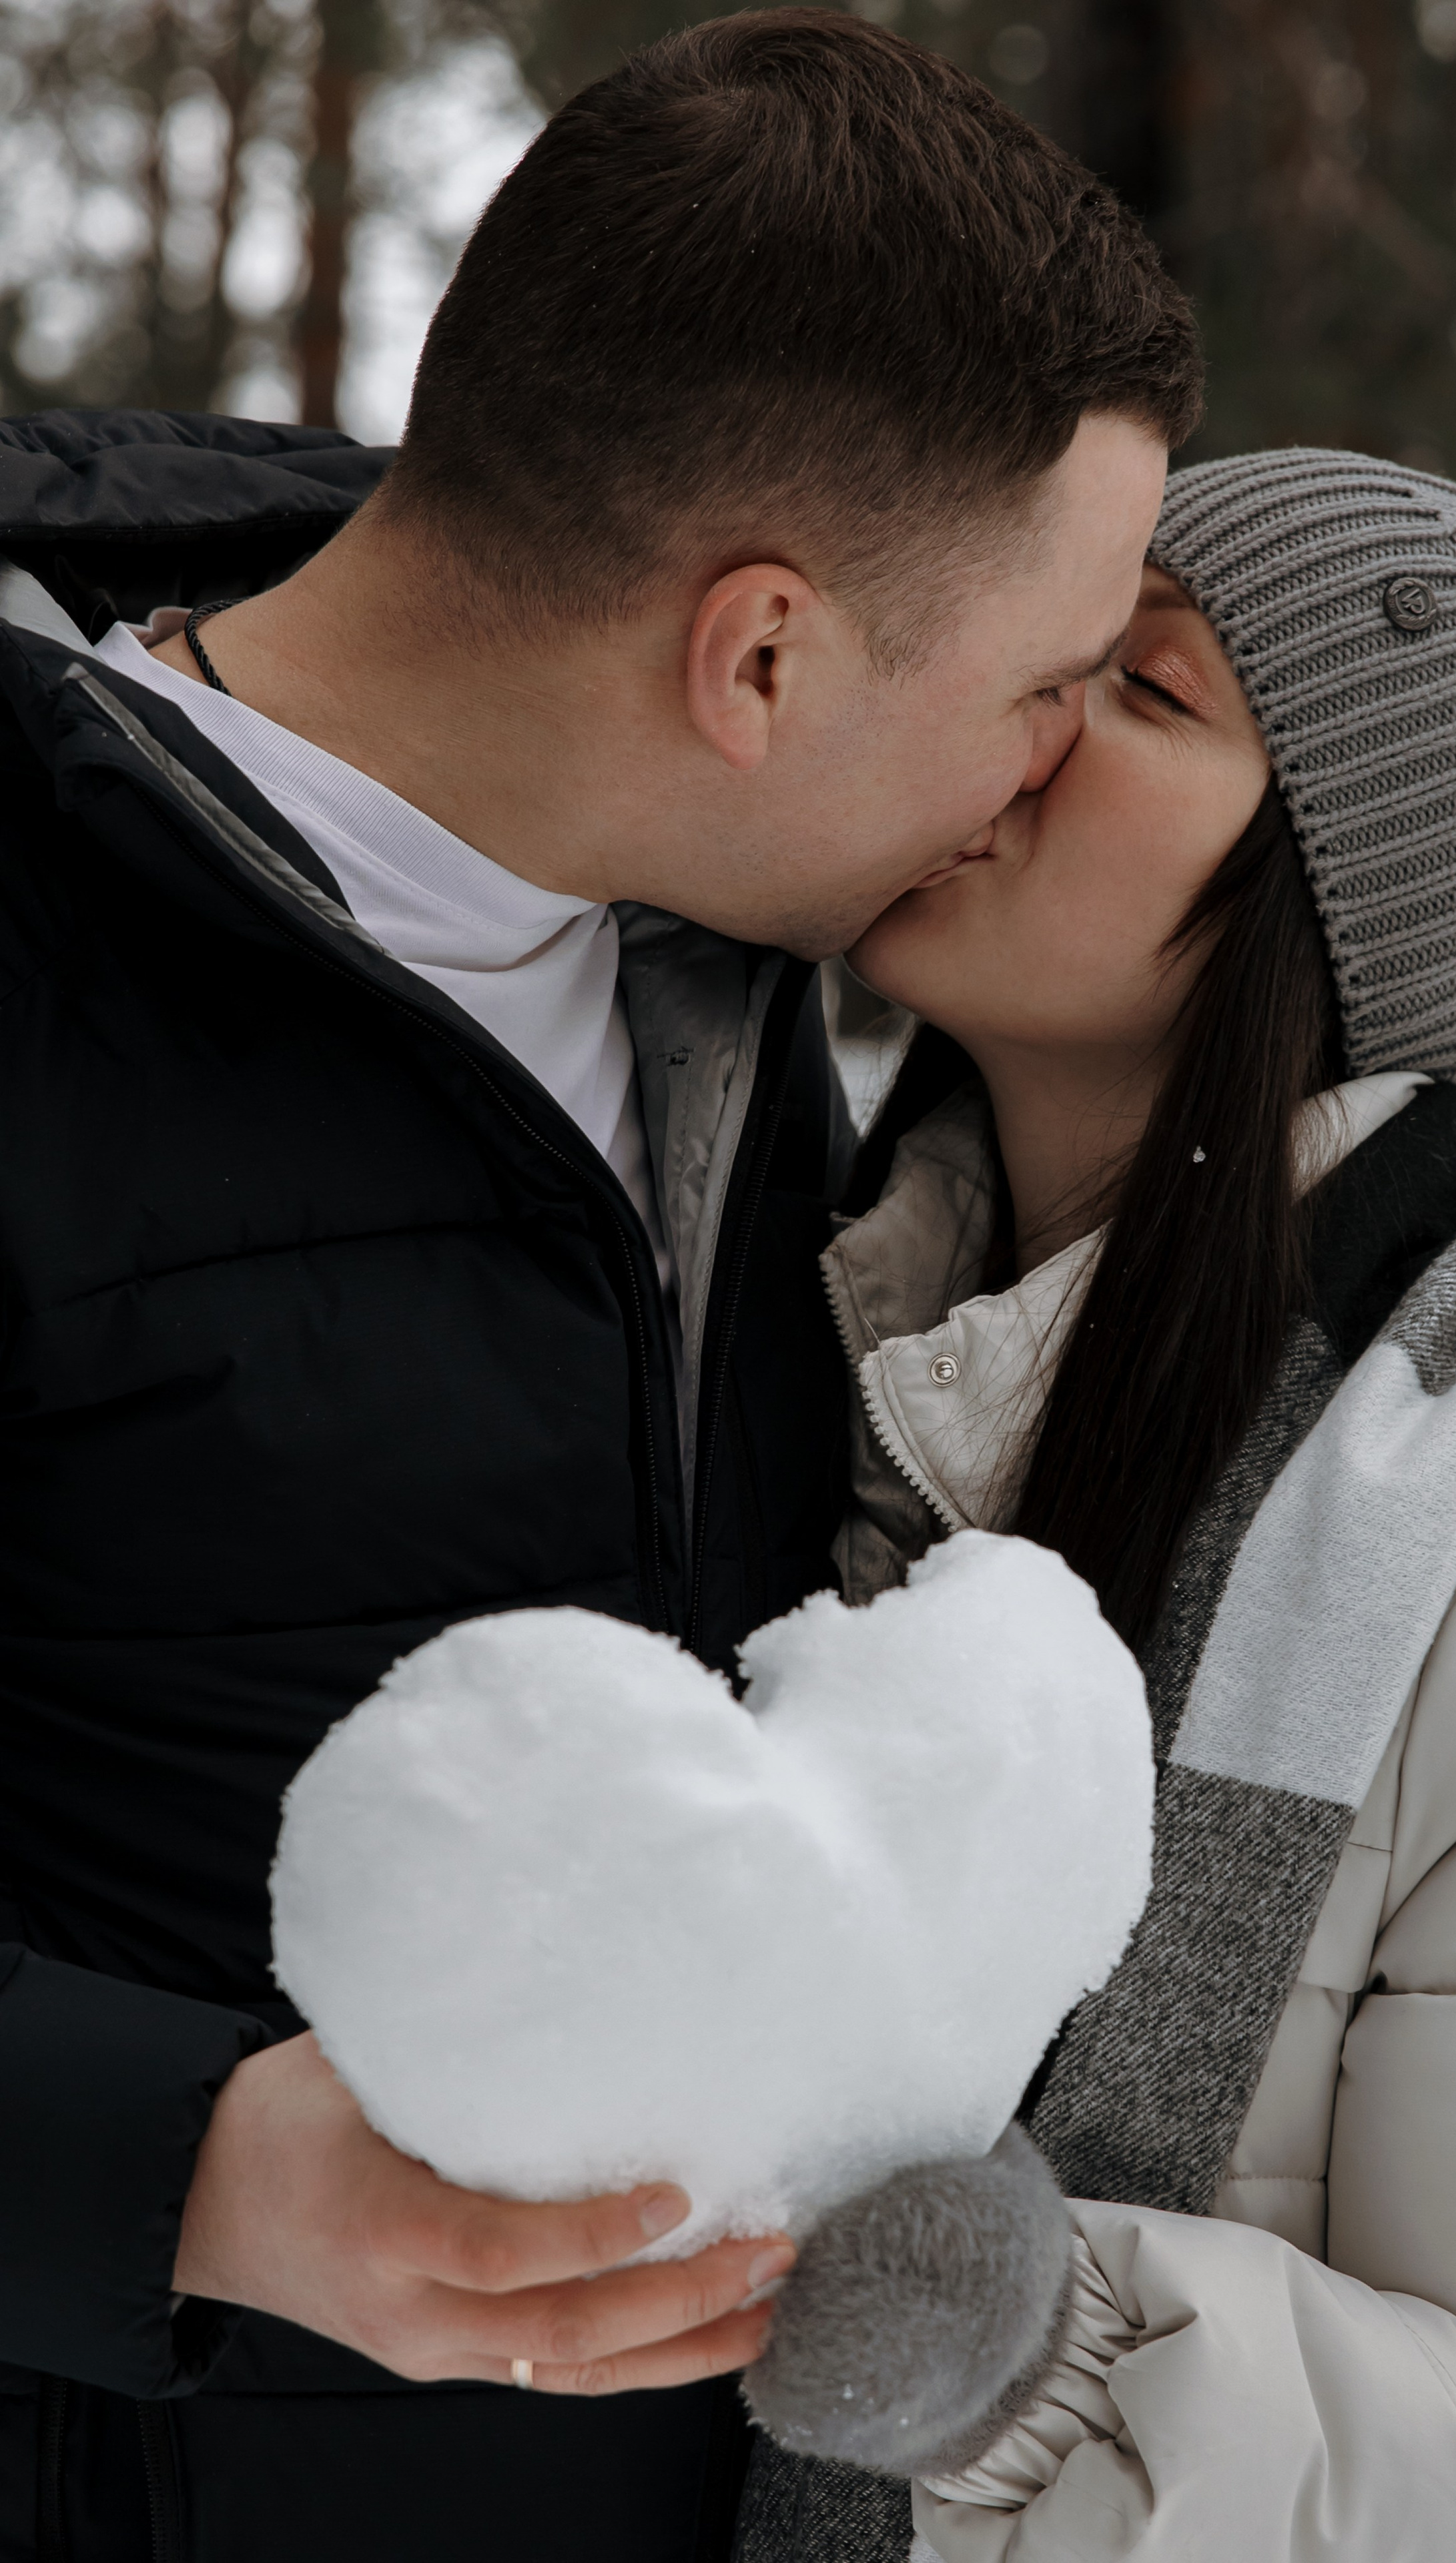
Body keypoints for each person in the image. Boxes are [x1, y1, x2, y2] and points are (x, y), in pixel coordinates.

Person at [0, 14, 1198, 2558]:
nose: (1056, 762)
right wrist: (177, 2168)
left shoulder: (725, 976)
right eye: (1047, 682)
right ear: (757, 660)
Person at [776, 448, 1456, 2563]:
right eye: (1053, 635)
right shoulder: (812, 1354)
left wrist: (1032, 2356)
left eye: (1147, 686)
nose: (1016, 705)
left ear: (1334, 910)